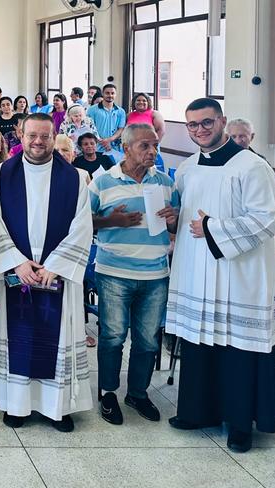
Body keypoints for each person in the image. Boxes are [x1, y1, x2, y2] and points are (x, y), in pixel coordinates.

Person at [165, 98, 275, 453]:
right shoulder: (186, 168)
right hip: (196, 272)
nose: (200, 130)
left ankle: (240, 424)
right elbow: (187, 216)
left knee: (237, 350)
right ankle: (197, 411)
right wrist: (175, 219)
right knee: (199, 345)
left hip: (238, 275)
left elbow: (267, 220)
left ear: (222, 122)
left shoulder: (252, 166)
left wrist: (213, 228)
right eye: (193, 125)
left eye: (206, 123)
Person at [0, 113, 94, 432]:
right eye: (31, 135)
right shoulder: (4, 173)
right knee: (18, 336)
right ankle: (17, 406)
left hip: (54, 274)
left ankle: (55, 408)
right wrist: (16, 262)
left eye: (45, 136)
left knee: (55, 338)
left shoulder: (73, 177)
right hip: (16, 272)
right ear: (20, 134)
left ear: (54, 135)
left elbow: (82, 225)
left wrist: (55, 265)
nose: (37, 142)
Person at [88, 123, 179, 426]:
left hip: (155, 273)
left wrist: (174, 219)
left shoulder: (166, 183)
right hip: (114, 271)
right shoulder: (103, 183)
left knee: (148, 340)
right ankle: (109, 392)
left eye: (154, 145)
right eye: (144, 146)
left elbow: (177, 228)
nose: (152, 151)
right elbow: (82, 223)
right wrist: (111, 220)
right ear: (126, 148)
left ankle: (138, 392)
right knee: (113, 336)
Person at [86, 84, 126, 155]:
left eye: (112, 93)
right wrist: (102, 141)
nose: (110, 95)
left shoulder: (121, 111)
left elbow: (121, 129)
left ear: (115, 94)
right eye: (107, 93)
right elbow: (89, 127)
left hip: (114, 148)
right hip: (96, 148)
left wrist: (109, 140)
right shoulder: (92, 110)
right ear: (102, 94)